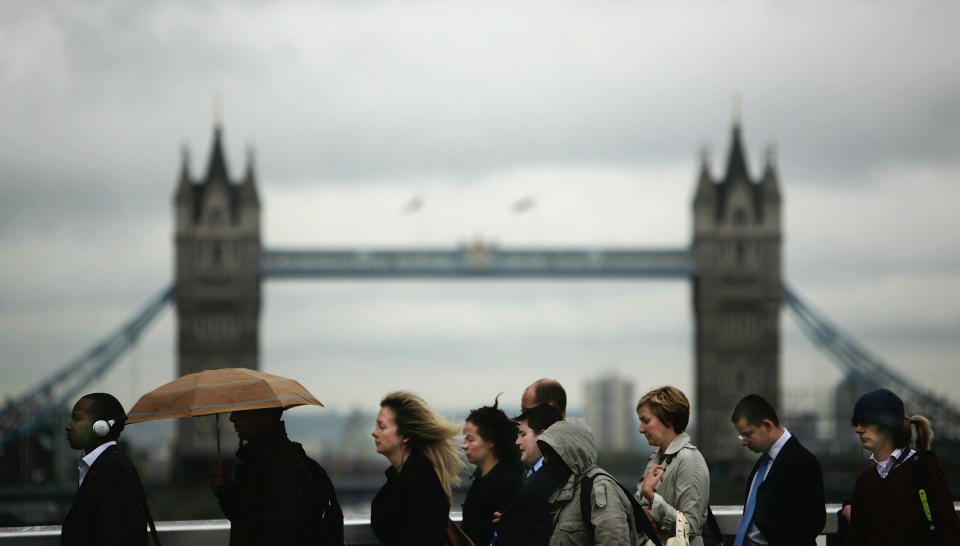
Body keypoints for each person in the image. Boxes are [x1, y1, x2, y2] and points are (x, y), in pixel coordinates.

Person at [842, 388, 960, 545]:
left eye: (866, 422)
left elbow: (947, 530)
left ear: (887, 426)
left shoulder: (924, 468)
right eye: (858, 423)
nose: (858, 429)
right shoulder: (865, 478)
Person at [210, 406, 342, 545]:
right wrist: (227, 492)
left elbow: (271, 532)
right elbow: (250, 520)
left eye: (240, 411)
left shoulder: (274, 466)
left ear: (262, 414)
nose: (232, 418)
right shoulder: (275, 461)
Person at [370, 391, 465, 546]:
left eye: (381, 427)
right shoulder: (405, 477)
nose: (374, 433)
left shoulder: (420, 482)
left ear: (405, 436)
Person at [730, 394, 825, 546]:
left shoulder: (802, 461)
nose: (745, 442)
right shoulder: (763, 463)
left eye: (748, 434)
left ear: (767, 425)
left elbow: (812, 523)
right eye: (742, 436)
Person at [61, 392, 151, 546]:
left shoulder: (113, 469)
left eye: (77, 418)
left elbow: (118, 536)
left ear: (100, 427)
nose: (68, 426)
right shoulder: (101, 466)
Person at [537, 420, 639, 545]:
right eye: (544, 454)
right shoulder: (569, 491)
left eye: (551, 454)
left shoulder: (600, 488)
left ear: (573, 453)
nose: (544, 461)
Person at [635, 386, 710, 546]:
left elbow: (689, 527)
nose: (641, 429)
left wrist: (652, 497)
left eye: (646, 421)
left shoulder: (689, 460)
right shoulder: (656, 458)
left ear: (668, 419)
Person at [493, 403, 565, 546]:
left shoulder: (551, 479)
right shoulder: (537, 475)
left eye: (523, 434)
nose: (517, 441)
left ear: (543, 436)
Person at [460, 396, 524, 546]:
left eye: (470, 439)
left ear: (490, 441)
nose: (464, 445)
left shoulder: (505, 484)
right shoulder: (482, 478)